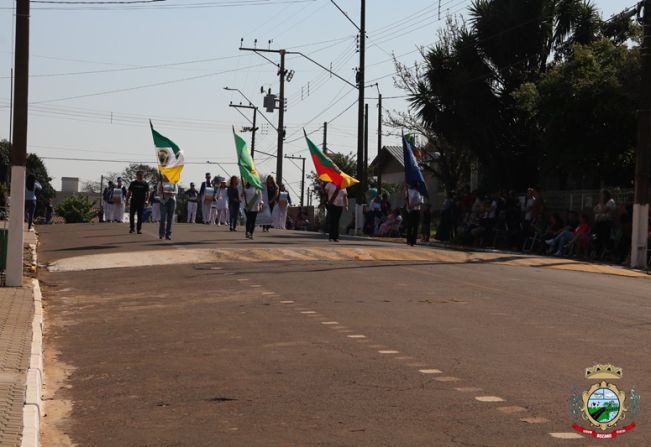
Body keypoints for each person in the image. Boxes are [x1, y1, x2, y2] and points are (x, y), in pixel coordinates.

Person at [593, 189, 616, 255]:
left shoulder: (610, 201)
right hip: (598, 223)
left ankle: (607, 254)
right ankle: (597, 253)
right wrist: (599, 210)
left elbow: (604, 210)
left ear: (606, 195)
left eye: (602, 194)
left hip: (606, 223)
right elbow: (594, 210)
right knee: (596, 237)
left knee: (605, 238)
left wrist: (600, 209)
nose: (600, 196)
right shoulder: (600, 202)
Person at [158, 175, 177, 240]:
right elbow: (158, 192)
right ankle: (161, 233)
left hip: (172, 201)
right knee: (163, 217)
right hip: (163, 201)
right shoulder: (161, 182)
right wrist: (162, 190)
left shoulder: (174, 182)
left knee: (170, 218)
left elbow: (176, 192)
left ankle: (168, 234)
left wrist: (168, 193)